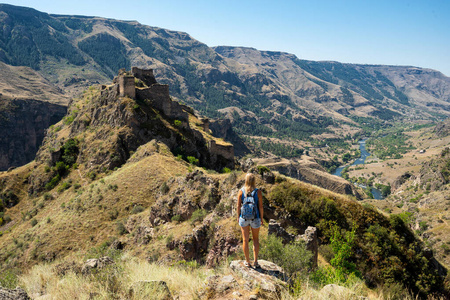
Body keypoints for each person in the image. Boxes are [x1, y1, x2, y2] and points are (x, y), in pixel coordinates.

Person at [237, 173, 264, 268]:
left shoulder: (241, 191)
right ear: (254, 181)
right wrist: (261, 218)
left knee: (245, 239)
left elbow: (238, 206)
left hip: (243, 218)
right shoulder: (258, 192)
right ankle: (256, 261)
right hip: (255, 218)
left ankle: (247, 262)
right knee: (255, 239)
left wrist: (238, 217)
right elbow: (260, 206)